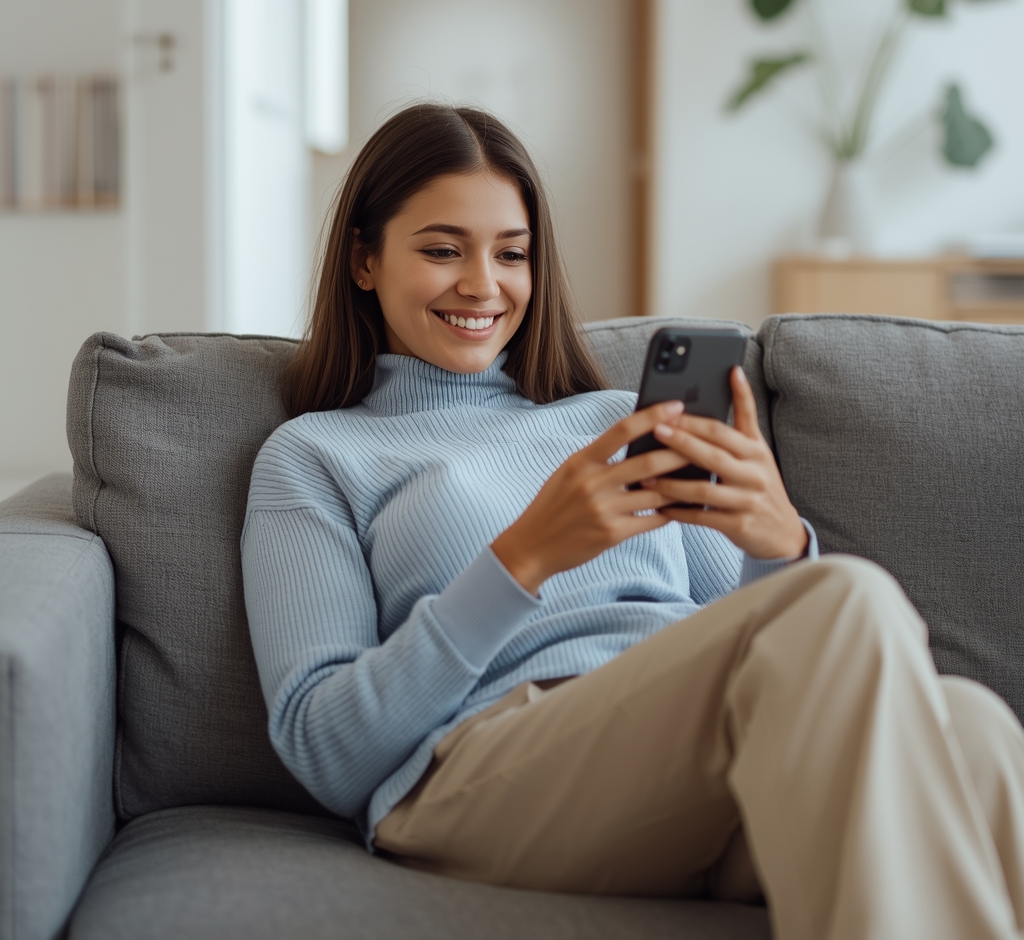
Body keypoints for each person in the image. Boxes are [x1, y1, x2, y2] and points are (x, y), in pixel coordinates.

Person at [242, 103, 1024, 940]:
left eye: (512, 254)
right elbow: (326, 750)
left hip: (683, 773)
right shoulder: (316, 454)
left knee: (972, 728)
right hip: (480, 774)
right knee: (848, 597)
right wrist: (522, 561)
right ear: (364, 259)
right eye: (442, 250)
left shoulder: (615, 418)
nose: (482, 283)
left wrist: (775, 543)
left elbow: (765, 643)